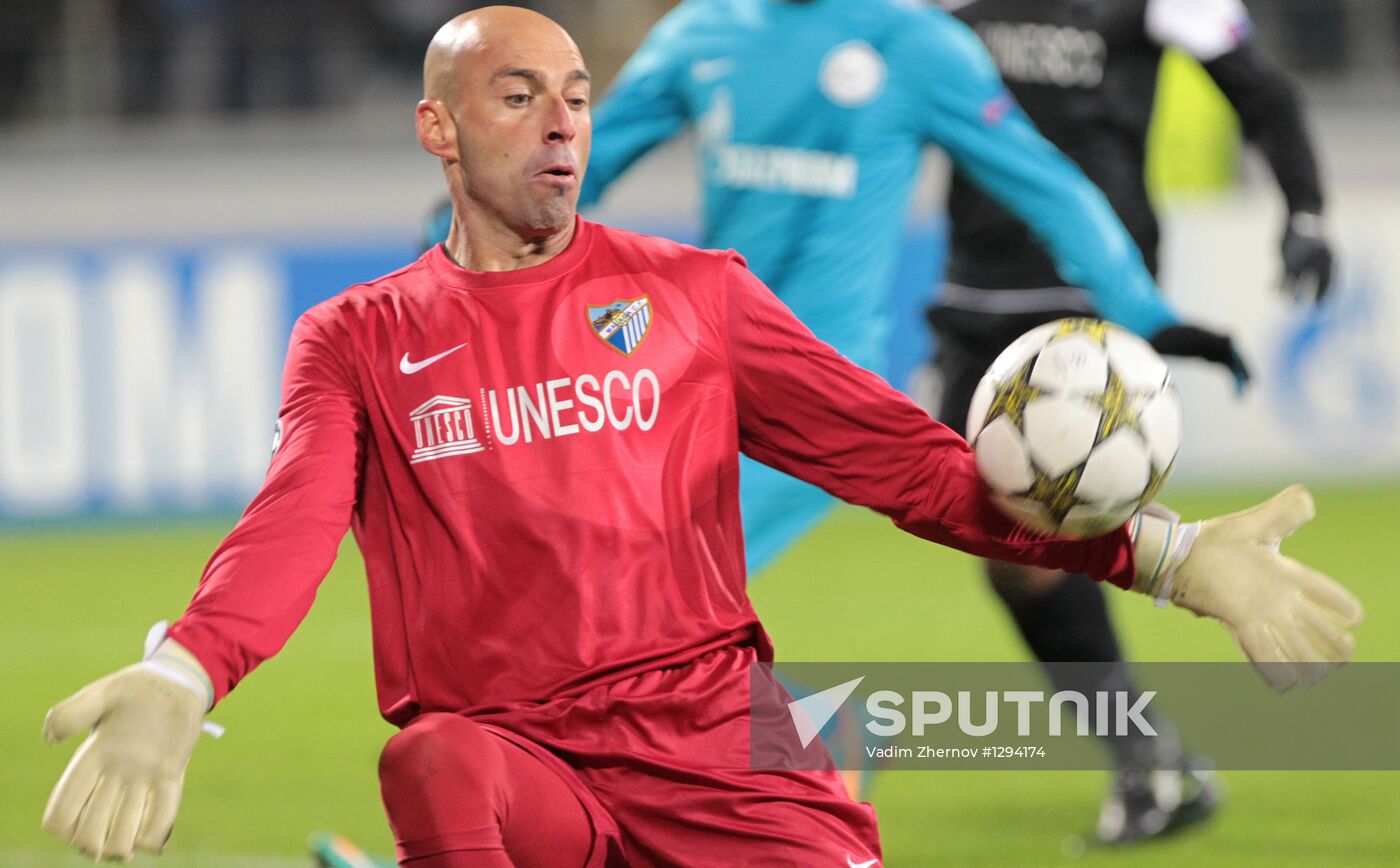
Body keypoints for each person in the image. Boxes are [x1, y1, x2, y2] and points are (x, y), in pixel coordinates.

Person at [40, 6, 1361, 866]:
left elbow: (918, 460)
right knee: (437, 755)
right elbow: (287, 523)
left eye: (575, 96)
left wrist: (1171, 553)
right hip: (531, 761)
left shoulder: (707, 280)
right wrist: (186, 671)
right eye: (518, 96)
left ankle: (839, 777)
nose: (564, 122)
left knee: (710, 644)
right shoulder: (361, 335)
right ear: (438, 128)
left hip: (737, 584)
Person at [573, 0, 1249, 842]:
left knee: (622, 619)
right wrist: (454, 260)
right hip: (694, 382)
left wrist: (1141, 310)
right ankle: (819, 746)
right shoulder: (701, 32)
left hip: (818, 398)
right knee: (606, 625)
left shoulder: (918, 45)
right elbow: (573, 167)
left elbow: (1042, 178)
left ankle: (770, 780)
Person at [927, 0, 1334, 841]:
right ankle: (1157, 761)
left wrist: (1306, 211)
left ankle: (1149, 764)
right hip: (975, 293)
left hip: (1091, 296)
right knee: (1002, 552)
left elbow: (1261, 91)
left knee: (1033, 544)